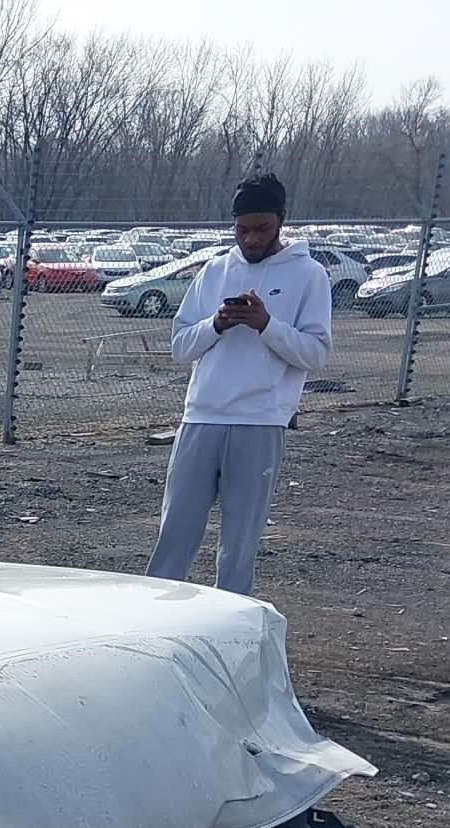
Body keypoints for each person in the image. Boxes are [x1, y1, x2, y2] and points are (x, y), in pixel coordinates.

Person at [147, 173, 332, 597]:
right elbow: (180, 346)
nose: (250, 239)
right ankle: (152, 615)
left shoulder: (309, 274)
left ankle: (232, 622)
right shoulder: (215, 271)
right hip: (201, 417)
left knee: (239, 538)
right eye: (242, 229)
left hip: (260, 422)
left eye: (261, 229)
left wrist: (267, 324)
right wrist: (216, 324)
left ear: (281, 221)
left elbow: (316, 353)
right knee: (175, 529)